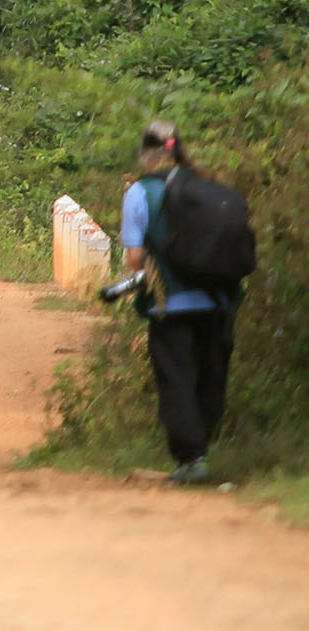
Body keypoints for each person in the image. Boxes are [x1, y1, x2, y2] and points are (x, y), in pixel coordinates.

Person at [120, 119, 238, 486]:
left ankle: (192, 458)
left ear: (146, 154)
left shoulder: (140, 192)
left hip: (170, 305)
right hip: (217, 301)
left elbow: (135, 258)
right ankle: (203, 449)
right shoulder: (208, 183)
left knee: (177, 379)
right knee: (210, 376)